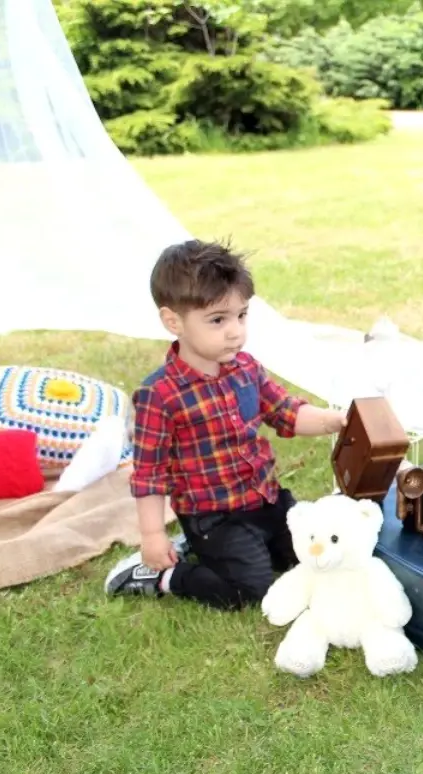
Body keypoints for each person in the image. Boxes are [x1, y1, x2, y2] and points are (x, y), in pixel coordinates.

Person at [104, 239, 347, 610]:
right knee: (253, 590)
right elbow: (149, 475)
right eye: (218, 320)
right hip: (213, 517)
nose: (235, 331)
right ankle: (164, 575)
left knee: (310, 560)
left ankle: (211, 549)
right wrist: (152, 535)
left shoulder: (246, 368)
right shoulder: (160, 394)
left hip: (266, 499)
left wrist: (335, 421)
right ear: (174, 322)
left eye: (242, 315)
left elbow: (286, 412)